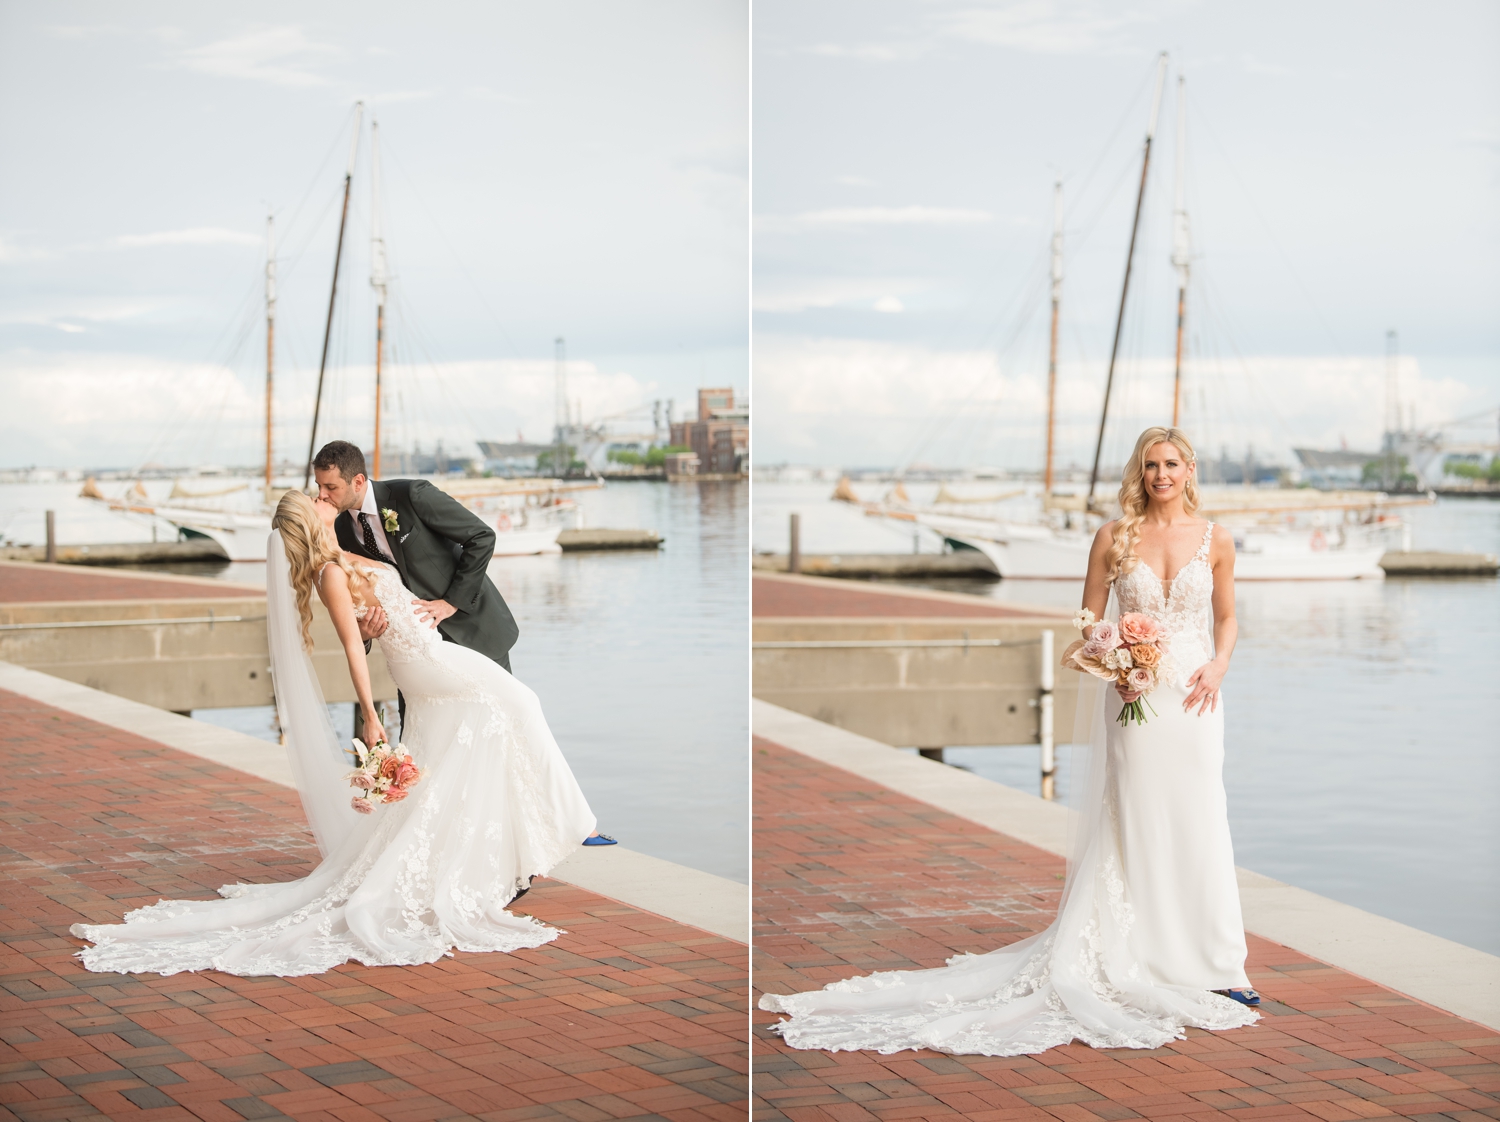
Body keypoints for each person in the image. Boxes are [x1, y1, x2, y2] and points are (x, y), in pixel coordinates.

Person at [758, 425, 1260, 1057]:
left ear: (1188, 470)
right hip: (1134, 698)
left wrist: (1219, 665)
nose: (1161, 474)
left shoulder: (1217, 539)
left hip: (1193, 695)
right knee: (1137, 821)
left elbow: (1227, 616)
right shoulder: (1113, 536)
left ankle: (1219, 966)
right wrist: (1115, 666)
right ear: (1141, 472)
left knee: (1201, 820)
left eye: (1171, 464)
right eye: (1150, 465)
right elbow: (1087, 620)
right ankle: (1147, 955)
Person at [70, 490, 602, 977]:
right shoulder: (327, 571)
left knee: (468, 742)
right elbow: (352, 645)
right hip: (424, 661)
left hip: (433, 650)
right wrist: (371, 716)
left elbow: (388, 594)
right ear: (311, 519)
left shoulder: (342, 552)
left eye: (325, 491)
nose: (325, 498)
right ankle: (570, 822)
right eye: (318, 498)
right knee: (519, 702)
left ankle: (496, 853)